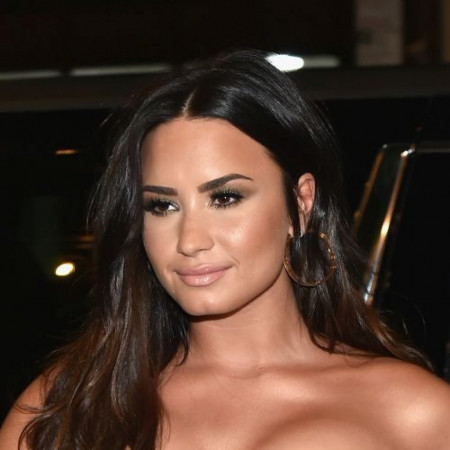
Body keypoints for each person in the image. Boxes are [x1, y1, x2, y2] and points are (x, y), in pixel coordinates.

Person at [1, 49, 449, 450]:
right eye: (162, 206)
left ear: (300, 205)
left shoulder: (414, 414)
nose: (190, 240)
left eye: (226, 198)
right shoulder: (65, 406)